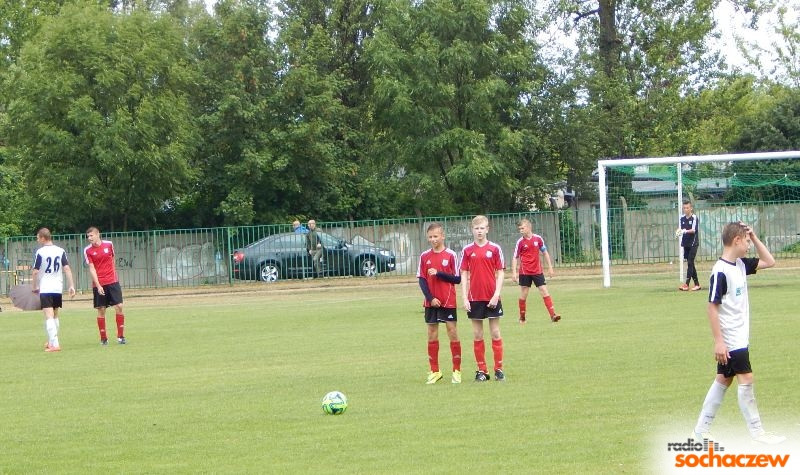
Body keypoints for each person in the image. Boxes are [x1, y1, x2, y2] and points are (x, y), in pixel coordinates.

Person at [691, 221, 785, 444]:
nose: (749, 245)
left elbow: (770, 261)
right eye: (746, 241)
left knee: (724, 380)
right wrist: (718, 342)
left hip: (739, 336)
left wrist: (753, 236)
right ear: (736, 241)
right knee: (746, 378)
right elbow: (711, 307)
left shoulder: (741, 265)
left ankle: (700, 430)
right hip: (732, 338)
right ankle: (757, 432)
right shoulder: (721, 271)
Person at [460, 215, 505, 382]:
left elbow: (500, 272)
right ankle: (482, 370)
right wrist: (464, 297)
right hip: (474, 298)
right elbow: (464, 274)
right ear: (472, 230)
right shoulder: (467, 250)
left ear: (487, 229)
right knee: (478, 334)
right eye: (476, 228)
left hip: (491, 297)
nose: (479, 231)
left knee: (495, 332)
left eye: (482, 228)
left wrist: (496, 294)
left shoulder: (494, 249)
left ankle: (498, 369)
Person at [417, 223, 462, 384]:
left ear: (442, 236)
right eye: (430, 237)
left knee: (452, 332)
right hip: (431, 302)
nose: (433, 239)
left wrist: (439, 273)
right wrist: (430, 298)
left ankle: (457, 371)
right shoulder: (424, 256)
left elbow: (457, 278)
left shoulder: (451, 255)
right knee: (431, 334)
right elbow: (422, 280)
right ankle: (435, 371)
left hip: (448, 301)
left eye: (436, 236)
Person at [32, 228, 76, 352]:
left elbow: (35, 271)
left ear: (42, 238)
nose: (37, 239)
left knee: (48, 316)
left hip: (46, 287)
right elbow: (66, 268)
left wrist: (34, 287)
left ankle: (55, 344)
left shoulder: (40, 252)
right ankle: (51, 341)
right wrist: (71, 285)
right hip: (57, 287)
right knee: (55, 315)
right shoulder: (60, 250)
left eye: (37, 237)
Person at [511, 218, 560, 324]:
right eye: (519, 229)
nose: (521, 230)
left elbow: (545, 252)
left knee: (544, 291)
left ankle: (553, 315)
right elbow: (515, 257)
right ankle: (522, 317)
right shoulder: (520, 242)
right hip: (525, 272)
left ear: (529, 227)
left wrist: (550, 267)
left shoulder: (538, 239)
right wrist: (514, 273)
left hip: (537, 271)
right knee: (524, 294)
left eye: (522, 228)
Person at [84, 226, 127, 345]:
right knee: (101, 310)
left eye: (91, 235)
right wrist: (98, 285)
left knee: (119, 306)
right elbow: (92, 268)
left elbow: (112, 259)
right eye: (88, 236)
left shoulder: (109, 245)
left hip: (112, 281)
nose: (89, 238)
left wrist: (113, 276)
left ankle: (121, 337)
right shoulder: (87, 250)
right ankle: (104, 339)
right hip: (99, 284)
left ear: (98, 234)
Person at [677, 200, 701, 291]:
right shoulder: (682, 218)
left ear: (691, 208)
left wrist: (684, 231)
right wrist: (678, 232)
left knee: (690, 262)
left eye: (687, 208)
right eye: (684, 208)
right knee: (691, 263)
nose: (686, 209)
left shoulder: (694, 217)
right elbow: (680, 228)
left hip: (693, 243)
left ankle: (686, 284)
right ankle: (697, 284)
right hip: (685, 243)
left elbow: (694, 230)